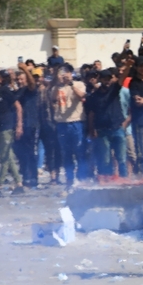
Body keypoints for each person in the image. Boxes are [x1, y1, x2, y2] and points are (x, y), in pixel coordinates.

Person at [51, 64, 88, 193]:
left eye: (66, 72)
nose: (64, 75)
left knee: (79, 152)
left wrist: (71, 84)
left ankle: (82, 180)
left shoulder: (79, 84)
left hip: (76, 122)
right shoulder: (56, 88)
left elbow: (82, 96)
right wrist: (58, 83)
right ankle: (69, 180)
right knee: (66, 154)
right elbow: (53, 99)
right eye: (62, 72)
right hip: (62, 123)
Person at [87, 69, 130, 179]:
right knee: (105, 159)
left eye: (109, 79)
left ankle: (124, 180)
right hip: (102, 131)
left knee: (122, 159)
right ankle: (108, 180)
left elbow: (122, 79)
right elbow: (91, 114)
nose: (107, 81)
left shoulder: (114, 90)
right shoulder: (94, 96)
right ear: (100, 80)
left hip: (117, 128)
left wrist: (128, 66)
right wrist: (92, 129)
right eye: (105, 79)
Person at [14, 63, 39, 188]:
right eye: (18, 79)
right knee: (20, 153)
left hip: (30, 124)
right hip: (19, 126)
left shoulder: (30, 90)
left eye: (21, 79)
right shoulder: (17, 92)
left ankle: (33, 177)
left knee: (29, 152)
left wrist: (25, 70)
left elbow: (32, 83)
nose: (19, 81)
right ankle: (25, 176)